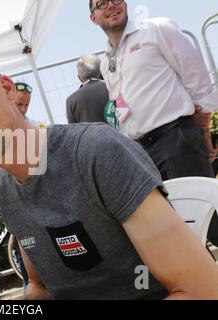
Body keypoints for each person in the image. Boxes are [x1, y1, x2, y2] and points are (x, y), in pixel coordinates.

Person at [0, 45, 218, 299]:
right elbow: (40, 287)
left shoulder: (95, 152)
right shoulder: (4, 188)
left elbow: (201, 289)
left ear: (8, 89)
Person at [89, 0, 218, 243]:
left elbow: (196, 76)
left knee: (209, 220)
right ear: (93, 18)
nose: (110, 6)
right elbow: (119, 106)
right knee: (176, 233)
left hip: (176, 139)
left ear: (125, 4)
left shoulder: (157, 29)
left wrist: (203, 129)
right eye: (101, 4)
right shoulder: (106, 62)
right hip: (142, 153)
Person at [66, 54, 109, 124]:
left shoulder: (70, 101)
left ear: (79, 78)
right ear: (101, 71)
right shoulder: (112, 87)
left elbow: (73, 131)